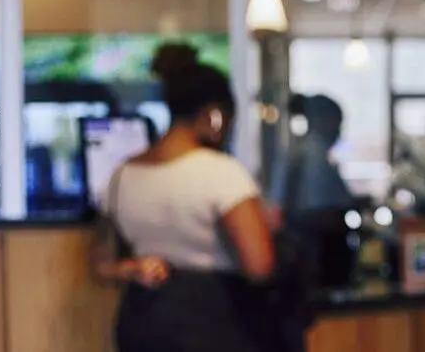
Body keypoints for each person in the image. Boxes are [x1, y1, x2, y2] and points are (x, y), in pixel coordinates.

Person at [88, 43, 294, 352]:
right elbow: (259, 266)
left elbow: (101, 265)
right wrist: (269, 228)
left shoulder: (123, 175)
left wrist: (132, 268)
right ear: (214, 116)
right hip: (213, 322)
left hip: (142, 320)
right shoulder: (221, 172)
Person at [272, 93, 358, 288]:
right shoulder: (313, 154)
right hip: (314, 251)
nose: (339, 129)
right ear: (323, 119)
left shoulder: (299, 150)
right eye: (337, 122)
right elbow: (320, 209)